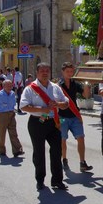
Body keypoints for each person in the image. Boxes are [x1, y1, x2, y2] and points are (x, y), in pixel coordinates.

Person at [20, 62, 69, 191]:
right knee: (39, 152)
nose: (45, 73)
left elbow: (66, 103)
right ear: (37, 72)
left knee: (57, 151)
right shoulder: (30, 88)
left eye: (47, 70)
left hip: (54, 122)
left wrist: (58, 104)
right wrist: (42, 109)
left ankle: (57, 180)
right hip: (37, 122)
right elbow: (23, 106)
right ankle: (40, 180)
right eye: (42, 71)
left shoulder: (55, 87)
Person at [58, 62, 93, 172]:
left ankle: (82, 162)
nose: (69, 73)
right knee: (62, 140)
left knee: (81, 138)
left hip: (74, 116)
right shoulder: (58, 86)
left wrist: (87, 86)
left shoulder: (75, 83)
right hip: (62, 117)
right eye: (67, 71)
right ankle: (64, 159)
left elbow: (85, 96)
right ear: (62, 72)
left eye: (71, 71)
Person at [0, 80, 25, 157]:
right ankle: (2, 151)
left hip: (11, 114)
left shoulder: (12, 94)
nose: (10, 87)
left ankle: (17, 150)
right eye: (8, 86)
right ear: (3, 86)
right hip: (2, 115)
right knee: (2, 134)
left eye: (11, 85)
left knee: (13, 133)